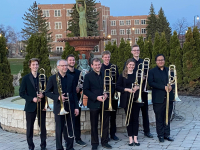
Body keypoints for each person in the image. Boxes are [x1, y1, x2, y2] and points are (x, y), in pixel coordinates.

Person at [45, 59, 79, 150]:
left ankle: (70, 147)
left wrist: (76, 107)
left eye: (66, 65)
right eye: (62, 66)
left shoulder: (71, 77)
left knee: (70, 127)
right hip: (59, 107)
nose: (65, 67)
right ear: (58, 67)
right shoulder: (52, 78)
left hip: (70, 106)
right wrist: (58, 97)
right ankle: (59, 148)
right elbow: (47, 92)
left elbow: (74, 94)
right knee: (59, 129)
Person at [123, 44, 153, 138]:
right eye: (134, 50)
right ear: (132, 51)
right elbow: (126, 75)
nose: (136, 51)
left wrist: (144, 77)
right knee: (133, 114)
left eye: (138, 50)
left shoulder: (144, 62)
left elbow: (147, 74)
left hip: (142, 90)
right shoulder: (129, 62)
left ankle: (147, 131)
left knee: (145, 112)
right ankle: (132, 133)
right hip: (132, 92)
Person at [83, 58, 112, 150]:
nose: (97, 66)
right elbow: (85, 90)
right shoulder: (88, 76)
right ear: (92, 66)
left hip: (105, 103)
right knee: (94, 124)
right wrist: (96, 97)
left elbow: (110, 87)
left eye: (99, 64)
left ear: (101, 65)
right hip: (94, 103)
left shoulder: (105, 74)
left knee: (105, 124)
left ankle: (105, 142)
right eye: (95, 65)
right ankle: (94, 143)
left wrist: (107, 94)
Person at [19, 58, 47, 150]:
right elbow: (21, 93)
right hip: (30, 107)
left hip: (41, 106)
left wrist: (43, 95)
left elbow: (47, 90)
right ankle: (31, 146)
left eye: (36, 64)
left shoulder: (43, 77)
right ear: (30, 66)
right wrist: (32, 99)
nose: (35, 66)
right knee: (29, 127)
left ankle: (43, 146)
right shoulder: (26, 78)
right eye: (33, 65)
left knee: (42, 127)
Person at [148, 54, 174, 143]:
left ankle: (167, 135)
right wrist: (164, 87)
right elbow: (151, 83)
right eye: (159, 60)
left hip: (169, 98)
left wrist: (171, 87)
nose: (160, 61)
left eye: (162, 60)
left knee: (167, 117)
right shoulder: (152, 71)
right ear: (156, 61)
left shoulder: (170, 70)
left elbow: (174, 82)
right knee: (159, 118)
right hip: (158, 99)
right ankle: (160, 135)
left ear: (164, 61)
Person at [116, 58, 141, 146]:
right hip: (126, 100)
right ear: (127, 65)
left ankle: (136, 138)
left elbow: (140, 84)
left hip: (136, 99)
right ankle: (130, 138)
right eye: (130, 65)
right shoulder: (122, 75)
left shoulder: (137, 74)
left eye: (133, 65)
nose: (131, 66)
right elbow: (117, 87)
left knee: (136, 119)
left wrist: (138, 87)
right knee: (129, 119)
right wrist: (127, 89)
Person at [65, 54, 87, 147]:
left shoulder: (79, 72)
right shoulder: (65, 72)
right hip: (67, 100)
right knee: (68, 121)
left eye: (73, 60)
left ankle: (78, 139)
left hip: (77, 100)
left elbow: (83, 84)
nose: (72, 62)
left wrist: (80, 88)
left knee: (77, 121)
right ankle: (68, 140)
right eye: (70, 60)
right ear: (67, 61)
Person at [100, 50, 119, 141]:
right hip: (104, 95)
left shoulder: (114, 67)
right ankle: (105, 135)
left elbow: (117, 80)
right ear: (102, 58)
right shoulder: (100, 67)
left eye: (108, 57)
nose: (107, 58)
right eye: (105, 57)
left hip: (113, 94)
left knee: (113, 116)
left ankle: (113, 134)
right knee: (105, 116)